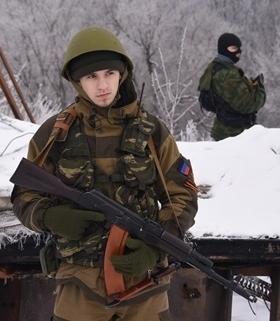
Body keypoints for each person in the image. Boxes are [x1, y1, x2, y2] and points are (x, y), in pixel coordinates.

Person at [11, 26, 198, 321]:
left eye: (110, 73)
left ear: (122, 74)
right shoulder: (55, 133)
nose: (102, 85)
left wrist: (155, 245)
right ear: (77, 81)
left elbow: (182, 195)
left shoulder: (152, 132)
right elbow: (24, 196)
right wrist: (52, 217)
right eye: (91, 76)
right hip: (78, 284)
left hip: (145, 282)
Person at [197, 32, 266, 141]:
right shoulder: (227, 74)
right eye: (233, 48)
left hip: (227, 132)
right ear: (224, 49)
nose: (238, 52)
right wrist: (260, 91)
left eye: (239, 48)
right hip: (233, 135)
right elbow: (247, 104)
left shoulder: (216, 67)